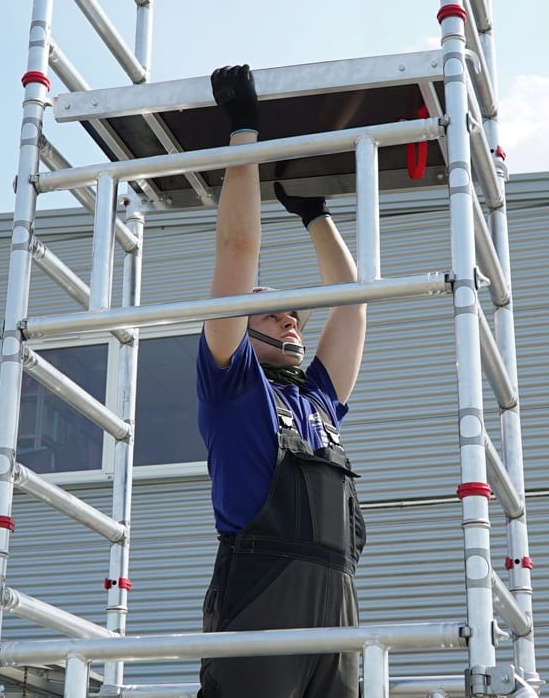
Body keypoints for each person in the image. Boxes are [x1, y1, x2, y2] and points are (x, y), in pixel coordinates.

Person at [196, 64, 368, 698]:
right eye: (271, 312)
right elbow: (237, 252)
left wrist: (315, 214)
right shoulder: (235, 383)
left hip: (337, 602)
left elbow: (351, 303)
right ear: (242, 327)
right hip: (261, 595)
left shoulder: (317, 397)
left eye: (295, 314)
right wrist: (245, 132)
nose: (290, 320)